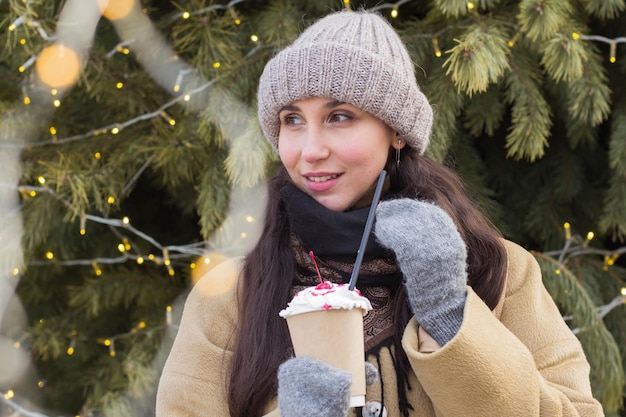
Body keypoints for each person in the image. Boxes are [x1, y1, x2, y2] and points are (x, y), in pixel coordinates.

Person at [155, 9, 604, 417]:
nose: (310, 150)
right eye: (292, 119)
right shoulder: (231, 296)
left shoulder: (499, 271)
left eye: (340, 116)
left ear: (396, 132)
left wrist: (451, 319)